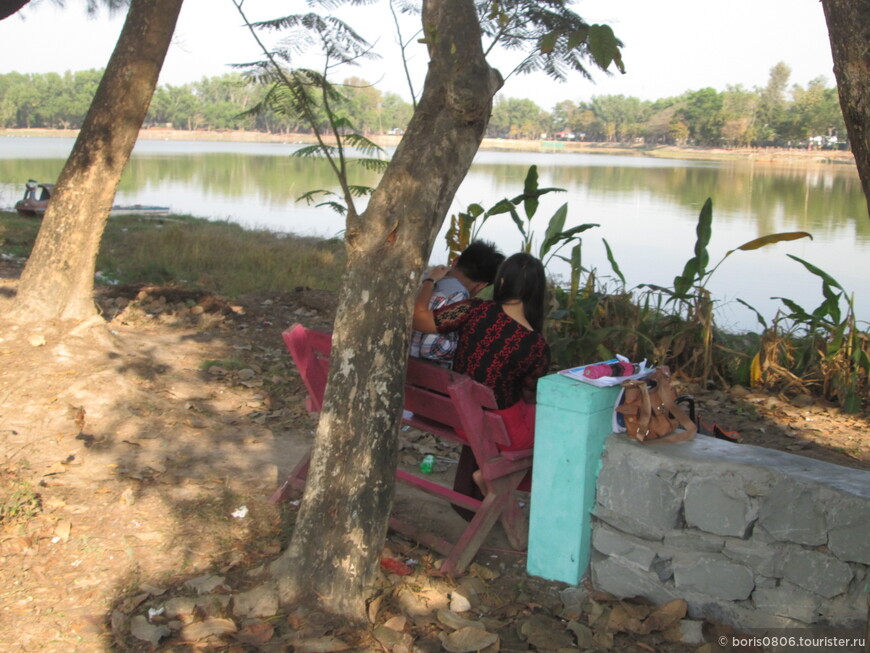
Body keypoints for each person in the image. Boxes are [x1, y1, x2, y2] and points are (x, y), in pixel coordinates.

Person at [413, 253, 550, 512]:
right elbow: (529, 397)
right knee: (548, 428)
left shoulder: (474, 309)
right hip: (501, 434)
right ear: (536, 292)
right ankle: (495, 482)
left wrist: (430, 280)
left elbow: (418, 318)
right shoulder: (537, 346)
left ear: (500, 283)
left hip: (462, 419)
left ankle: (491, 482)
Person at [409, 240, 504, 368]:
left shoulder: (422, 279)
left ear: (455, 261)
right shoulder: (460, 296)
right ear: (482, 285)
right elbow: (430, 347)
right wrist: (464, 347)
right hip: (421, 375)